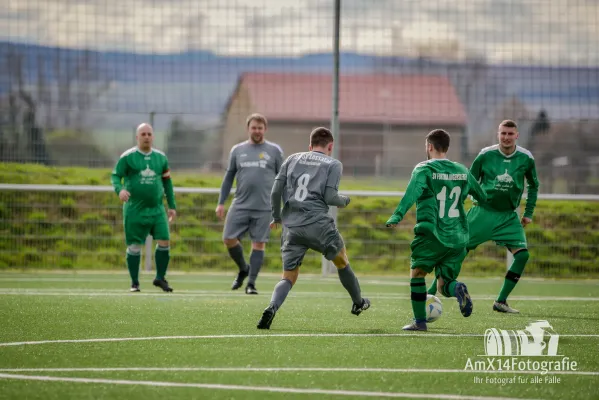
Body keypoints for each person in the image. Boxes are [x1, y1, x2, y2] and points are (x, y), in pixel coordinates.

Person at [257, 127, 370, 330]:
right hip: (318, 224)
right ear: (330, 146)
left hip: (292, 226)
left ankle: (272, 307)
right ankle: (358, 302)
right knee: (342, 261)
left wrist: (276, 217)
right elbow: (330, 198)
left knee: (288, 276)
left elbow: (275, 192)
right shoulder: (333, 163)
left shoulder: (292, 159)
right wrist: (346, 200)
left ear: (310, 146)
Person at [427, 120, 539, 314]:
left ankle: (501, 301)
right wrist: (458, 207)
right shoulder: (486, 155)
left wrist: (528, 213)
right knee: (456, 250)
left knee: (522, 255)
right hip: (482, 213)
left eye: (510, 134)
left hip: (508, 217)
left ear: (517, 135)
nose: (506, 137)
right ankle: (431, 293)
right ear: (498, 134)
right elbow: (468, 180)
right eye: (503, 133)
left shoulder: (526, 158)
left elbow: (534, 185)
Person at [386, 129, 487, 331]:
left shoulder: (424, 169)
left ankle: (420, 323)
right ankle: (457, 288)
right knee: (444, 285)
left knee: (417, 274)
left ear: (429, 146)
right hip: (458, 236)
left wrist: (397, 215)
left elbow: (411, 194)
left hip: (432, 234)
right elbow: (482, 196)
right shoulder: (462, 170)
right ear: (447, 147)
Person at [216, 113, 284, 295]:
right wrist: (221, 203)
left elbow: (282, 179)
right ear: (248, 129)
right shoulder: (237, 150)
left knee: (259, 244)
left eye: (260, 128)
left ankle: (251, 284)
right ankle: (243, 268)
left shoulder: (274, 151)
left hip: (264, 207)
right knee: (228, 239)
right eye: (254, 127)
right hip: (240, 204)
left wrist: (283, 206)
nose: (257, 131)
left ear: (265, 129)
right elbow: (229, 177)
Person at [111, 123, 177, 292]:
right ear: (137, 137)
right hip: (135, 209)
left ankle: (160, 278)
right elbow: (116, 176)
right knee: (134, 246)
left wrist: (171, 205)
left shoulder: (161, 158)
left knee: (164, 241)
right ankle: (135, 282)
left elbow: (167, 182)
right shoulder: (128, 157)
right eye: (143, 134)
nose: (146, 136)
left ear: (153, 137)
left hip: (157, 209)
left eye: (149, 134)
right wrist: (120, 190)